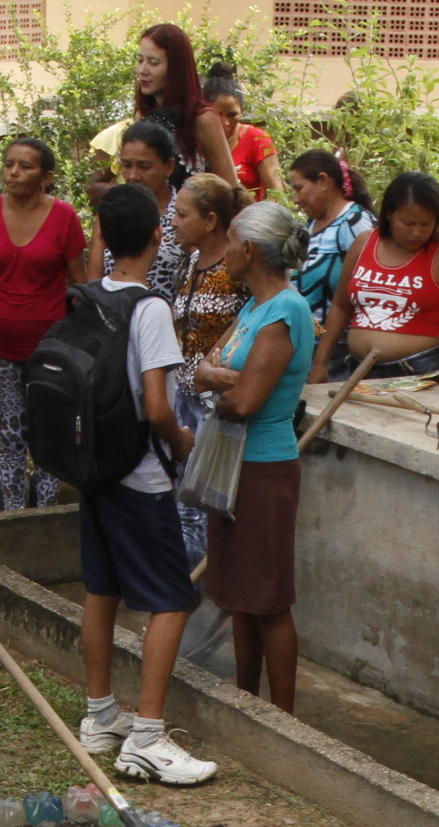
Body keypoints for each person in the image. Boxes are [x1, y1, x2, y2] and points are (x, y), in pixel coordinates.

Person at [73, 184, 215, 788]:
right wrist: (181, 441)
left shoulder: (87, 296)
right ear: (157, 236)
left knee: (101, 589)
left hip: (96, 469)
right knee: (172, 599)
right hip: (140, 475)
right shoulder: (150, 308)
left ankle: (100, 715)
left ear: (104, 237)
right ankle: (148, 739)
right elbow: (157, 405)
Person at [192, 201, 315, 715]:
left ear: (248, 249)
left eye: (229, 243)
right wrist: (218, 379)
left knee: (268, 598)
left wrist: (218, 383)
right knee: (240, 597)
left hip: (264, 467)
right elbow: (203, 369)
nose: (223, 253)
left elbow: (244, 403)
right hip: (234, 464)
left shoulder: (286, 310)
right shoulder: (253, 308)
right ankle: (247, 704)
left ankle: (282, 717)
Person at [0, 137, 86, 510]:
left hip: (51, 348)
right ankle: (13, 518)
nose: (14, 172)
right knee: (12, 435)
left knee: (49, 436)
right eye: (9, 164)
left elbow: (80, 285)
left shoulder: (64, 218)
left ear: (46, 177)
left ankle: (45, 517)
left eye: (26, 166)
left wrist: (81, 343)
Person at [314, 170, 439, 383]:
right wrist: (320, 363)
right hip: (360, 371)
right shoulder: (363, 244)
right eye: (408, 223)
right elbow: (340, 306)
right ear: (389, 214)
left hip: (420, 371)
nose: (417, 232)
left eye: (426, 224)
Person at [167, 171, 245, 574]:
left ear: (211, 220)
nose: (174, 222)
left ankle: (200, 590)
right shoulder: (191, 262)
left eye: (182, 215)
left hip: (217, 408)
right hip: (184, 401)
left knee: (202, 507)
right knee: (183, 503)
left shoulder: (236, 269)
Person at [81, 121, 187, 301]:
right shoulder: (111, 212)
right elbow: (94, 282)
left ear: (169, 166)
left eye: (144, 167)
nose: (133, 176)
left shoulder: (183, 213)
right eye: (127, 165)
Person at [134, 22, 232, 183]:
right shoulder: (142, 116)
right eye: (140, 60)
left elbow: (230, 186)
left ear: (176, 68)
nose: (142, 70)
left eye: (153, 63)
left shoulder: (203, 119)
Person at [288, 149, 375, 326]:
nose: (295, 199)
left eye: (299, 188)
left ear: (323, 181)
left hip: (337, 338)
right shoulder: (310, 225)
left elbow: (372, 286)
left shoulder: (355, 223)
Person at [203, 62, 282, 195]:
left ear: (242, 111)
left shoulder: (257, 139)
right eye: (218, 115)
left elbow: (277, 194)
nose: (225, 122)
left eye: (232, 115)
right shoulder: (193, 139)